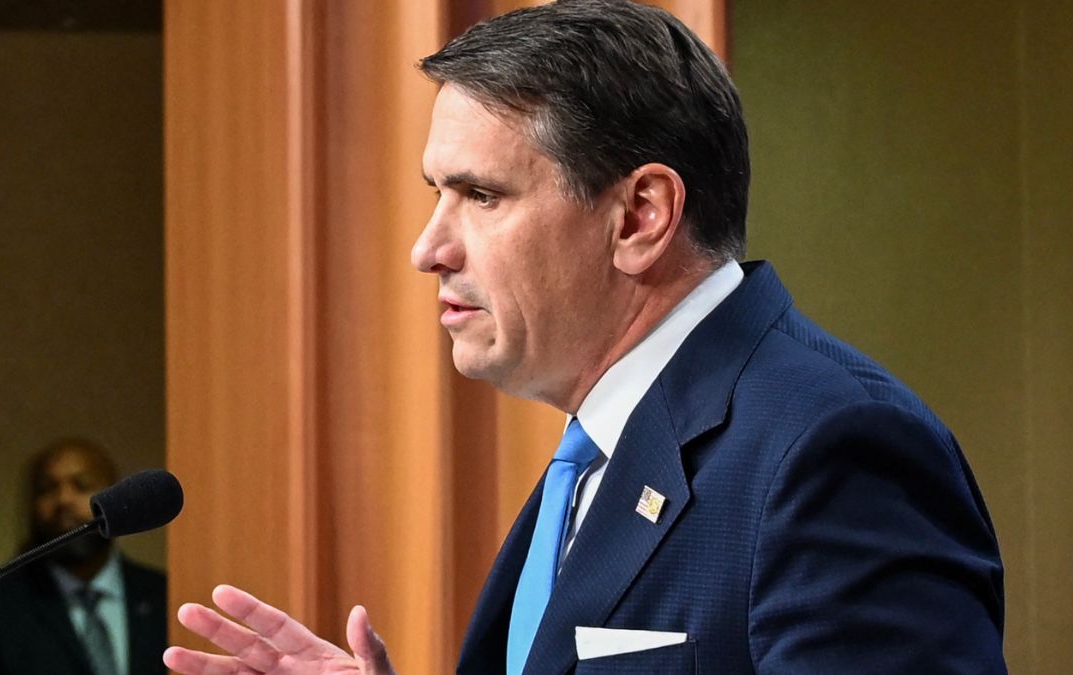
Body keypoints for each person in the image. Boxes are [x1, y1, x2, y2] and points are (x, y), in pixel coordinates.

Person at [164, 1, 1007, 673]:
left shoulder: (830, 450)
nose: (429, 248)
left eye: (481, 196)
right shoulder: (602, 446)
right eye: (435, 193)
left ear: (640, 215)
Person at [0, 438, 167, 675]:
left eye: (82, 485)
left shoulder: (165, 595)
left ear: (115, 499)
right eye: (47, 488)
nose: (63, 500)